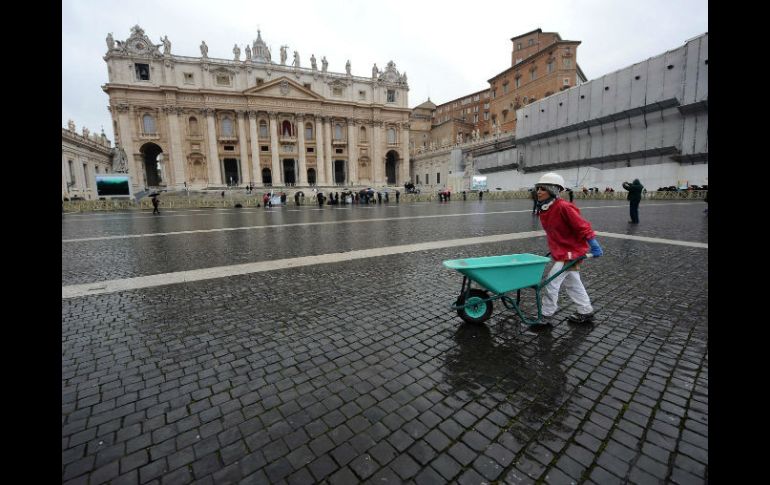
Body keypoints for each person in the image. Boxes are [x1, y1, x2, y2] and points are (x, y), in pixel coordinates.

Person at [535, 172, 603, 324]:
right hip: (562, 251)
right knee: (573, 282)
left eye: (543, 189)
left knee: (551, 283)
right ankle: (585, 311)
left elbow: (582, 226)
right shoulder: (545, 209)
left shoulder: (564, 207)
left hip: (570, 253)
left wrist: (594, 244)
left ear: (553, 190)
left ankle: (546, 315)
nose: (538, 191)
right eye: (538, 188)